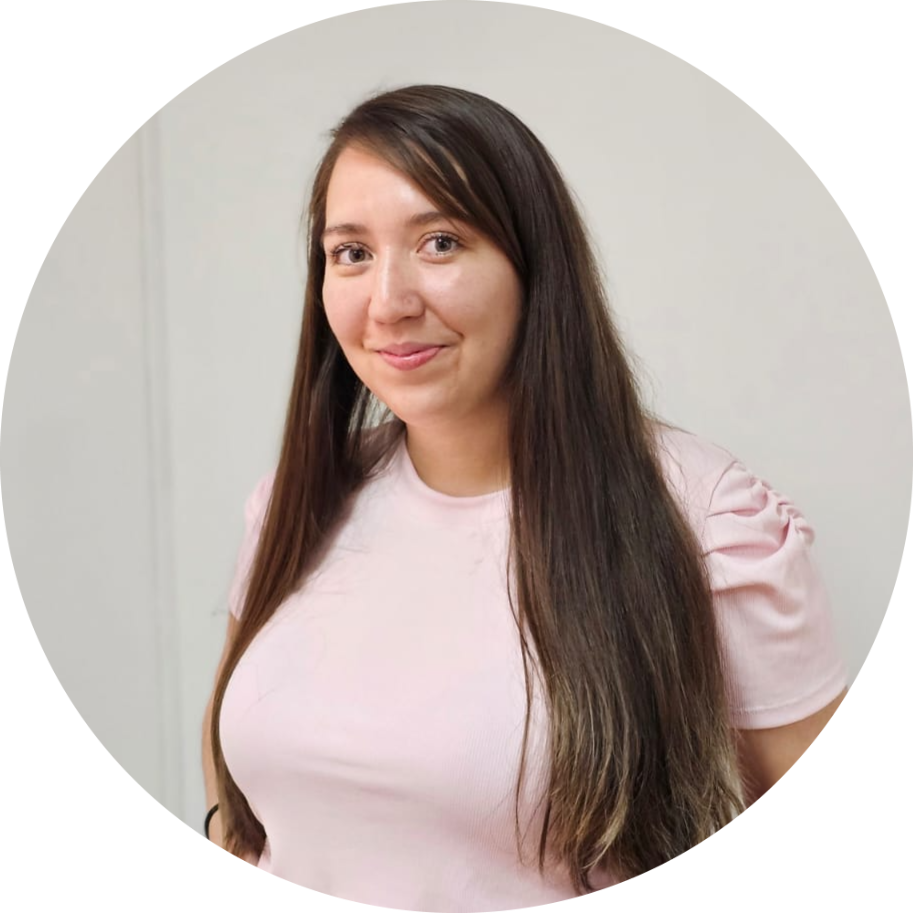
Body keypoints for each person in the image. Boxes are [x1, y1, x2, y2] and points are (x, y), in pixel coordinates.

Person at [201, 85, 848, 906]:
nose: (388, 303)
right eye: (351, 252)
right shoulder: (296, 502)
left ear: (532, 265)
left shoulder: (705, 519)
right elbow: (238, 787)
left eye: (440, 242)